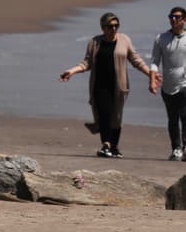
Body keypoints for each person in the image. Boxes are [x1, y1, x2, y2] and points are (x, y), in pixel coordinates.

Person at [59, 12, 157, 158]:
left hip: (119, 86)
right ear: (103, 27)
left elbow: (136, 60)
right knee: (105, 114)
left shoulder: (125, 40)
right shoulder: (94, 42)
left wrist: (150, 73)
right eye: (110, 26)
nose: (114, 28)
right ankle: (106, 145)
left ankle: (115, 147)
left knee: (116, 117)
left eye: (116, 25)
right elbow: (86, 63)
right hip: (99, 86)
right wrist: (71, 71)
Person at [150, 6, 186, 162]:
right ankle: (176, 149)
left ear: (184, 20)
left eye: (177, 17)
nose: (173, 19)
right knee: (172, 119)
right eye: (171, 16)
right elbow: (154, 62)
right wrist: (152, 80)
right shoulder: (161, 38)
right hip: (168, 86)